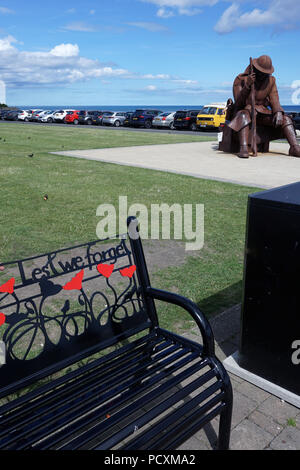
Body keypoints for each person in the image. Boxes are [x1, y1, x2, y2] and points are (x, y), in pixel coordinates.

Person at [228, 55, 300, 158]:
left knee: (286, 119)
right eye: (261, 73)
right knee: (243, 115)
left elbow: (274, 98)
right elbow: (239, 103)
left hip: (261, 113)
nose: (263, 76)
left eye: (265, 73)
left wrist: (278, 112)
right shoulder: (240, 79)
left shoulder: (271, 81)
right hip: (244, 112)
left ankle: (294, 147)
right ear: (255, 69)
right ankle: (243, 147)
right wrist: (247, 86)